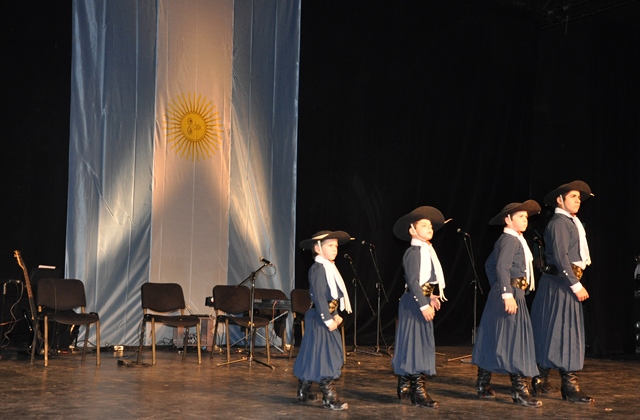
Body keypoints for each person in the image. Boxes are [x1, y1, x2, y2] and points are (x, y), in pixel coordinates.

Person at [471, 200, 542, 408]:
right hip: (510, 295)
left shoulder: (513, 240)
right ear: (508, 219)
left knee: (495, 338)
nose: (525, 220)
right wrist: (505, 293)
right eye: (520, 216)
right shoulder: (510, 240)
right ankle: (519, 391)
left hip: (510, 293)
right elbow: (501, 268)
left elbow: (489, 265)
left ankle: (483, 385)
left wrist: (499, 290)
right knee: (515, 342)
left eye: (526, 217)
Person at [530, 180, 595, 403]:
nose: (578, 200)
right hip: (559, 284)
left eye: (579, 197)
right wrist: (575, 284)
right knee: (561, 332)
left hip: (563, 283)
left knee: (558, 331)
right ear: (560, 200)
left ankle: (540, 378)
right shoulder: (559, 222)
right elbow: (559, 256)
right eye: (573, 196)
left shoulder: (571, 222)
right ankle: (569, 385)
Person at [391, 206, 449, 409]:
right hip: (413, 304)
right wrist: (424, 305)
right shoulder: (413, 252)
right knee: (415, 346)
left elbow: (425, 282)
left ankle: (405, 384)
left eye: (430, 225)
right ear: (412, 230)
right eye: (424, 225)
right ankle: (418, 391)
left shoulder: (427, 251)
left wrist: (431, 296)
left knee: (418, 345)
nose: (429, 228)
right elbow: (413, 282)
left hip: (420, 301)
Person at [293, 230, 353, 411]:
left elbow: (331, 298)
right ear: (318, 249)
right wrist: (328, 320)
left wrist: (334, 314)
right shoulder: (318, 269)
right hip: (319, 319)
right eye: (330, 245)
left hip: (326, 317)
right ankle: (329, 398)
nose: (335, 249)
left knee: (313, 354)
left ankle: (303, 391)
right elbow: (319, 297)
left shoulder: (330, 268)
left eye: (336, 246)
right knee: (326, 357)